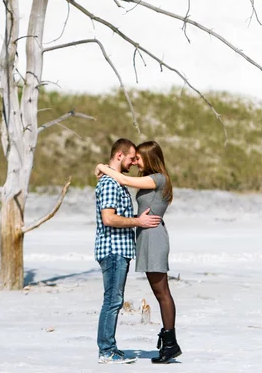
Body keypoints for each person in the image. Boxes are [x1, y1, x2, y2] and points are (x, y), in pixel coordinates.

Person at [95, 140, 182, 364]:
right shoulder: (150, 180)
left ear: (149, 158)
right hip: (145, 237)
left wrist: (103, 167)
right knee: (159, 292)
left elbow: (123, 179)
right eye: (132, 158)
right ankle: (168, 342)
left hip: (153, 238)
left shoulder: (157, 179)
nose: (135, 162)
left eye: (138, 158)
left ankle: (170, 344)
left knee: (162, 293)